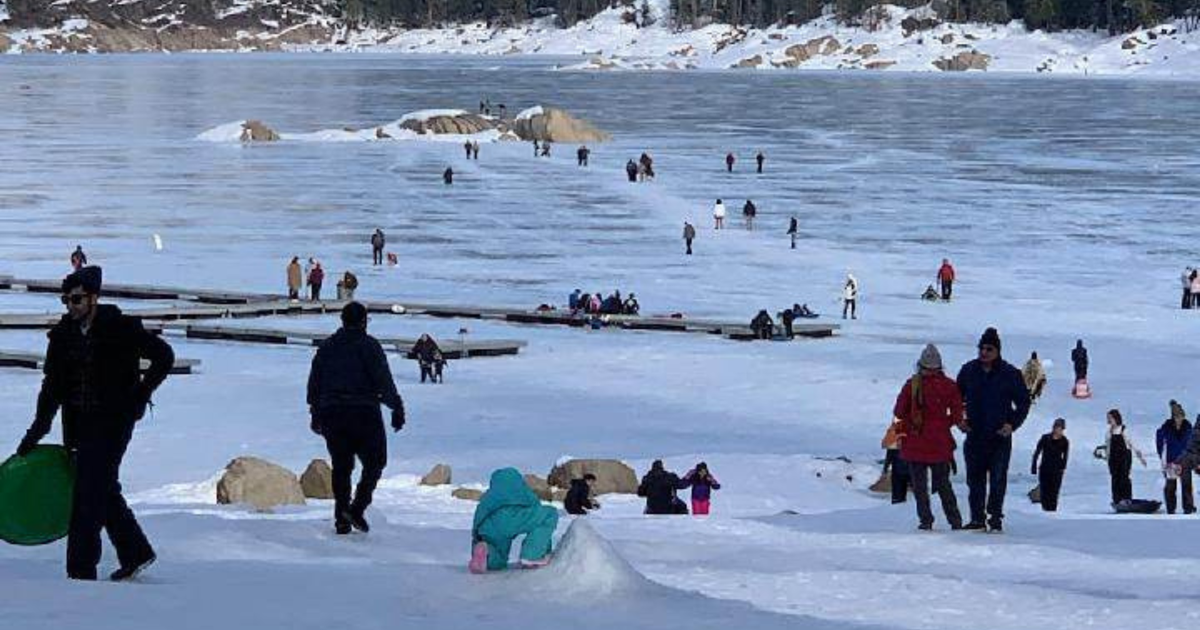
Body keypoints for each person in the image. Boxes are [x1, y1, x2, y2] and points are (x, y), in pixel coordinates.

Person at [16, 266, 174, 581]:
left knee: (88, 493)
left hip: (115, 423)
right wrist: (36, 431)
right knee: (101, 487)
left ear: (93, 298)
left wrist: (139, 396)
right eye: (66, 300)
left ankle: (80, 571)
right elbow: (52, 388)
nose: (71, 306)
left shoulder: (121, 328)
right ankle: (136, 551)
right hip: (79, 425)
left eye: (76, 300)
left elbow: (164, 356)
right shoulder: (62, 336)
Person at [307, 302, 406, 535]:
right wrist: (396, 407)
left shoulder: (327, 347)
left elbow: (315, 382)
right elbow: (383, 380)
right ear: (363, 322)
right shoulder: (369, 346)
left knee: (342, 466)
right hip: (364, 412)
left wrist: (315, 412)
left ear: (342, 321)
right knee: (375, 462)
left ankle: (342, 516)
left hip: (332, 413)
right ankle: (357, 507)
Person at [956, 327, 1030, 532]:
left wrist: (1012, 424)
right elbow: (954, 399)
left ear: (997, 351)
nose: (984, 353)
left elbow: (1023, 403)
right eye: (981, 348)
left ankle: (995, 518)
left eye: (989, 349)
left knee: (998, 480)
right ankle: (977, 518)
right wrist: (959, 420)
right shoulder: (969, 371)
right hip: (975, 435)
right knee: (975, 480)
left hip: (999, 437)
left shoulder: (1010, 374)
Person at [893, 344, 964, 530]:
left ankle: (926, 520)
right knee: (943, 485)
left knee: (920, 487)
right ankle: (955, 520)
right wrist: (943, 423)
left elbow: (899, 411)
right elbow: (957, 415)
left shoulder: (912, 385)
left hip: (915, 442)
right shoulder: (949, 385)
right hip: (940, 443)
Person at [469, 468, 558, 573]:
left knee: (500, 560)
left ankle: (487, 552)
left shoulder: (488, 496)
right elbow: (537, 510)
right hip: (515, 517)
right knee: (549, 515)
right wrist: (545, 549)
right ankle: (532, 555)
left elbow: (479, 516)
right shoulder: (524, 492)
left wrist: (477, 537)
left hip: (490, 525)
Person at [1156, 400, 1194, 514]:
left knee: (1186, 485)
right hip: (1171, 461)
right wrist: (1160, 453)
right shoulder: (1167, 426)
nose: (1179, 419)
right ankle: (1171, 509)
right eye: (1177, 417)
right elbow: (1159, 438)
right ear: (1173, 417)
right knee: (1170, 487)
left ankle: (1188, 508)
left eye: (1181, 416)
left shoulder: (1188, 426)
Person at [1104, 409, 1146, 506]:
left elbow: (1132, 444)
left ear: (1116, 418)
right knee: (1115, 478)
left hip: (1124, 457)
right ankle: (1117, 499)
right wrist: (1107, 458)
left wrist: (1140, 458)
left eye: (1110, 418)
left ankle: (1126, 498)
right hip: (1113, 458)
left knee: (1124, 477)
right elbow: (1108, 447)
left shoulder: (1123, 430)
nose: (1109, 420)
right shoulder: (1108, 433)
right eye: (1108, 418)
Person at [1031, 418, 1069, 512]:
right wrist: (1034, 465)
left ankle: (1052, 509)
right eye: (1056, 427)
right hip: (1045, 467)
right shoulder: (1045, 438)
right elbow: (1037, 452)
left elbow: (1065, 456)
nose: (1058, 430)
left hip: (1057, 469)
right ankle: (1045, 508)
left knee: (1054, 491)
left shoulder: (1064, 441)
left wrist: (1063, 467)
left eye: (1060, 428)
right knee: (1045, 490)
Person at [881, 417, 909, 504]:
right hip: (908, 467)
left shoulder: (893, 436)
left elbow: (889, 453)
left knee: (897, 497)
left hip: (900, 468)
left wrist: (885, 469)